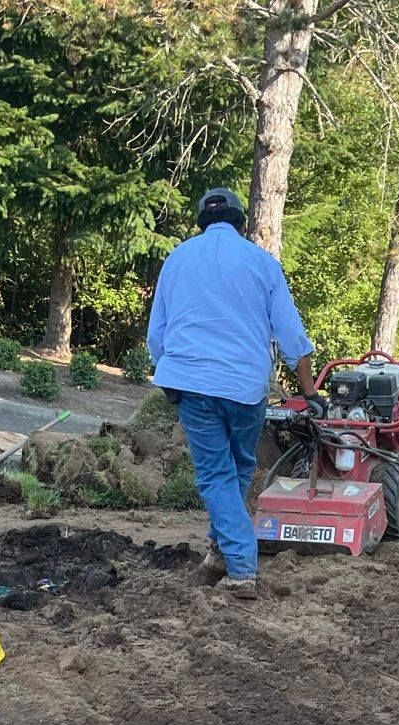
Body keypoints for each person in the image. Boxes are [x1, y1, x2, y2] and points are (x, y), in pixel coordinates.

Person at [147, 188, 318, 601]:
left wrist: (169, 368)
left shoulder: (177, 259)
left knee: (218, 475)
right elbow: (293, 337)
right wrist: (311, 392)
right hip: (245, 387)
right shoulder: (263, 263)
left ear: (201, 224)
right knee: (237, 467)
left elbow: (157, 335)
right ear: (242, 223)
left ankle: (241, 567)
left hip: (192, 382)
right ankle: (223, 554)